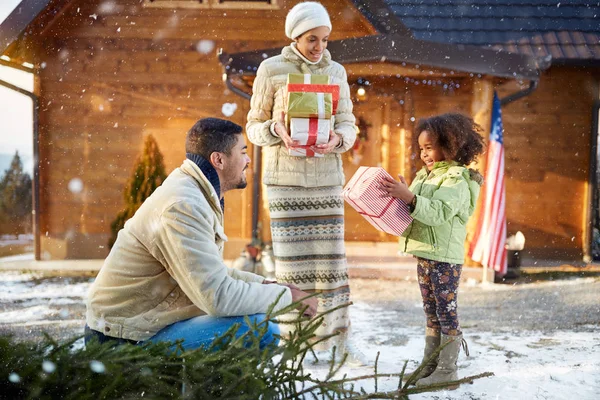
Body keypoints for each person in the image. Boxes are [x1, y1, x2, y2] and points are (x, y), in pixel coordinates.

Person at [85, 118, 317, 351]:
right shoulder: (183, 206)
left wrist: (267, 284)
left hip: (144, 325)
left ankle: (211, 387)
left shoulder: (198, 192)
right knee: (258, 329)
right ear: (219, 160)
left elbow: (207, 273)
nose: (248, 161)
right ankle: (212, 388)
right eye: (243, 152)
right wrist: (288, 298)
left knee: (253, 312)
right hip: (121, 339)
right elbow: (218, 297)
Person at [245, 2, 363, 364]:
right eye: (313, 39)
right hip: (285, 183)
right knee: (292, 267)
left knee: (331, 265)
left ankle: (338, 341)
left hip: (326, 179)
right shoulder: (271, 70)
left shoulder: (337, 72)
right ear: (295, 35)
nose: (319, 47)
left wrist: (339, 140)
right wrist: (274, 130)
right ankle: (296, 344)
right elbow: (252, 125)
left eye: (325, 40)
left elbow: (348, 123)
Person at [380, 113, 485, 386]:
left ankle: (448, 371)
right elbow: (412, 208)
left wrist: (410, 197)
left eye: (429, 147)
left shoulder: (457, 180)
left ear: (450, 145)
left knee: (446, 311)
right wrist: (396, 196)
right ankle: (430, 365)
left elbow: (438, 212)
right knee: (431, 310)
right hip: (426, 252)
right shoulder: (424, 176)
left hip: (445, 258)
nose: (423, 154)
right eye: (421, 149)